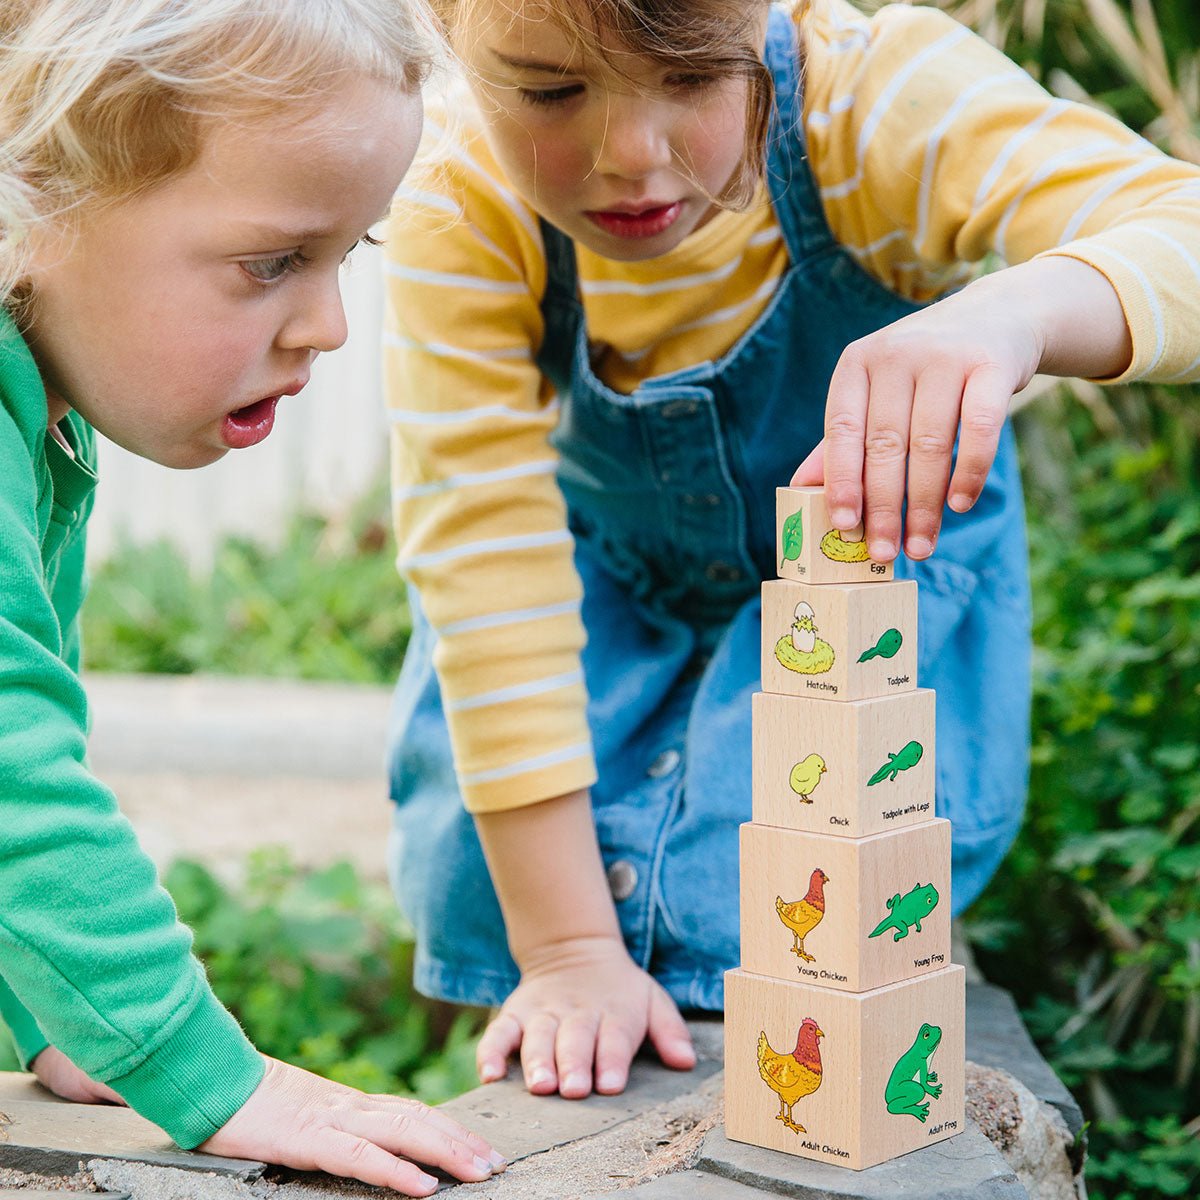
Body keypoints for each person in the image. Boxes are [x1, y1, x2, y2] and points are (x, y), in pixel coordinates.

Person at [382, 0, 1200, 1103]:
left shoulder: (877, 108)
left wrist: (1018, 312)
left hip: (863, 594)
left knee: (775, 911)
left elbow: (1180, 227)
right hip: (610, 607)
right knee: (504, 892)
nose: (632, 155)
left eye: (693, 79)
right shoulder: (460, 193)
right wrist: (569, 951)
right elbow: (482, 565)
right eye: (550, 91)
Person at [0, 1, 506, 1193]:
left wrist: (67, 1012)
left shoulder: (44, 424)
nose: (327, 326)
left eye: (347, 258)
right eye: (273, 262)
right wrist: (195, 1062)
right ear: (30, 202)